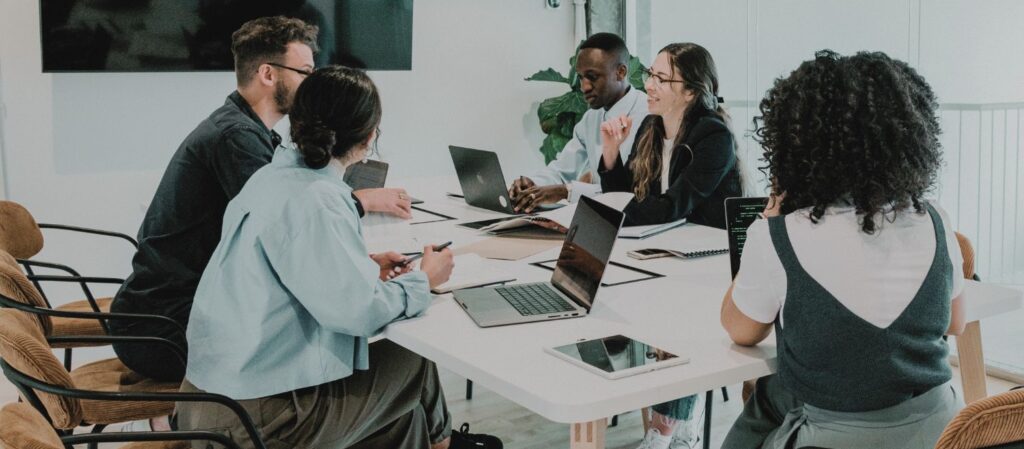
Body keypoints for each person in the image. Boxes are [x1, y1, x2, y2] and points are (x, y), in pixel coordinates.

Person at [176, 66, 502, 449]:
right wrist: (423, 280)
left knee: (403, 414)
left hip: (206, 399)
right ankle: (443, 445)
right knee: (411, 361)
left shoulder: (270, 179)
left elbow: (297, 271)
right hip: (254, 423)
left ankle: (436, 442)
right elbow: (357, 313)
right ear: (369, 136)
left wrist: (363, 266)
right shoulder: (318, 199)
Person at [109, 17, 413, 386]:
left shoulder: (244, 129)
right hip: (168, 329)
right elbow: (288, 233)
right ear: (268, 74)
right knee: (345, 345)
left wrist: (357, 266)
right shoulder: (237, 138)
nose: (313, 83)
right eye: (305, 71)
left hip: (157, 313)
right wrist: (362, 207)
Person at [720, 50, 966, 449]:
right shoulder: (935, 219)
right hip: (944, 433)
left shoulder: (780, 236)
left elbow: (740, 329)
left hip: (833, 440)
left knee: (770, 395)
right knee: (775, 394)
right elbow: (955, 323)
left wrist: (764, 227)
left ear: (798, 146)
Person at [598, 43, 741, 228]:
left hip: (704, 249)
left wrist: (604, 210)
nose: (648, 85)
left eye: (661, 79)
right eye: (650, 74)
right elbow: (625, 194)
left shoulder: (714, 137)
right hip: (662, 242)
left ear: (691, 91)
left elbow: (669, 209)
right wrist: (611, 151)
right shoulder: (650, 127)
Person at [508, 32, 648, 213]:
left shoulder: (648, 117)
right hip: (600, 218)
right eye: (581, 77)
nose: (584, 87)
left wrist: (567, 191)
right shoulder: (591, 118)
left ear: (621, 72)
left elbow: (631, 194)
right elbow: (561, 170)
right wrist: (532, 185)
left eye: (593, 77)